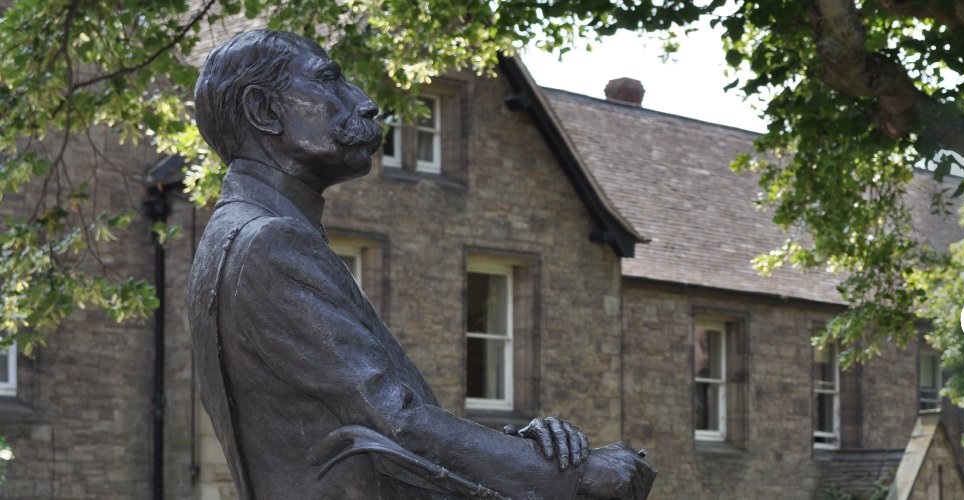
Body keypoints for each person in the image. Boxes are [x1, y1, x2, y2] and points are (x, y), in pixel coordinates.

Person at [187, 29, 654, 499]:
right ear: (264, 111)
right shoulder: (271, 242)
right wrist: (581, 476)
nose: (365, 102)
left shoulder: (232, 236)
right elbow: (394, 422)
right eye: (328, 81)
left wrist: (525, 447)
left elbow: (364, 434)